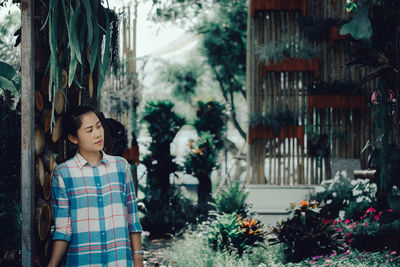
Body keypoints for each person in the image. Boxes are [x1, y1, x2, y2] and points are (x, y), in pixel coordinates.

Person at [47, 105, 143, 267]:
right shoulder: (64, 173)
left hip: (120, 261)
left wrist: (138, 258)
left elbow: (132, 218)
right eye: (89, 130)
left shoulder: (121, 166)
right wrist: (52, 265)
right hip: (83, 262)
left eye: (99, 126)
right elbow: (64, 228)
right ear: (73, 138)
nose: (98, 134)